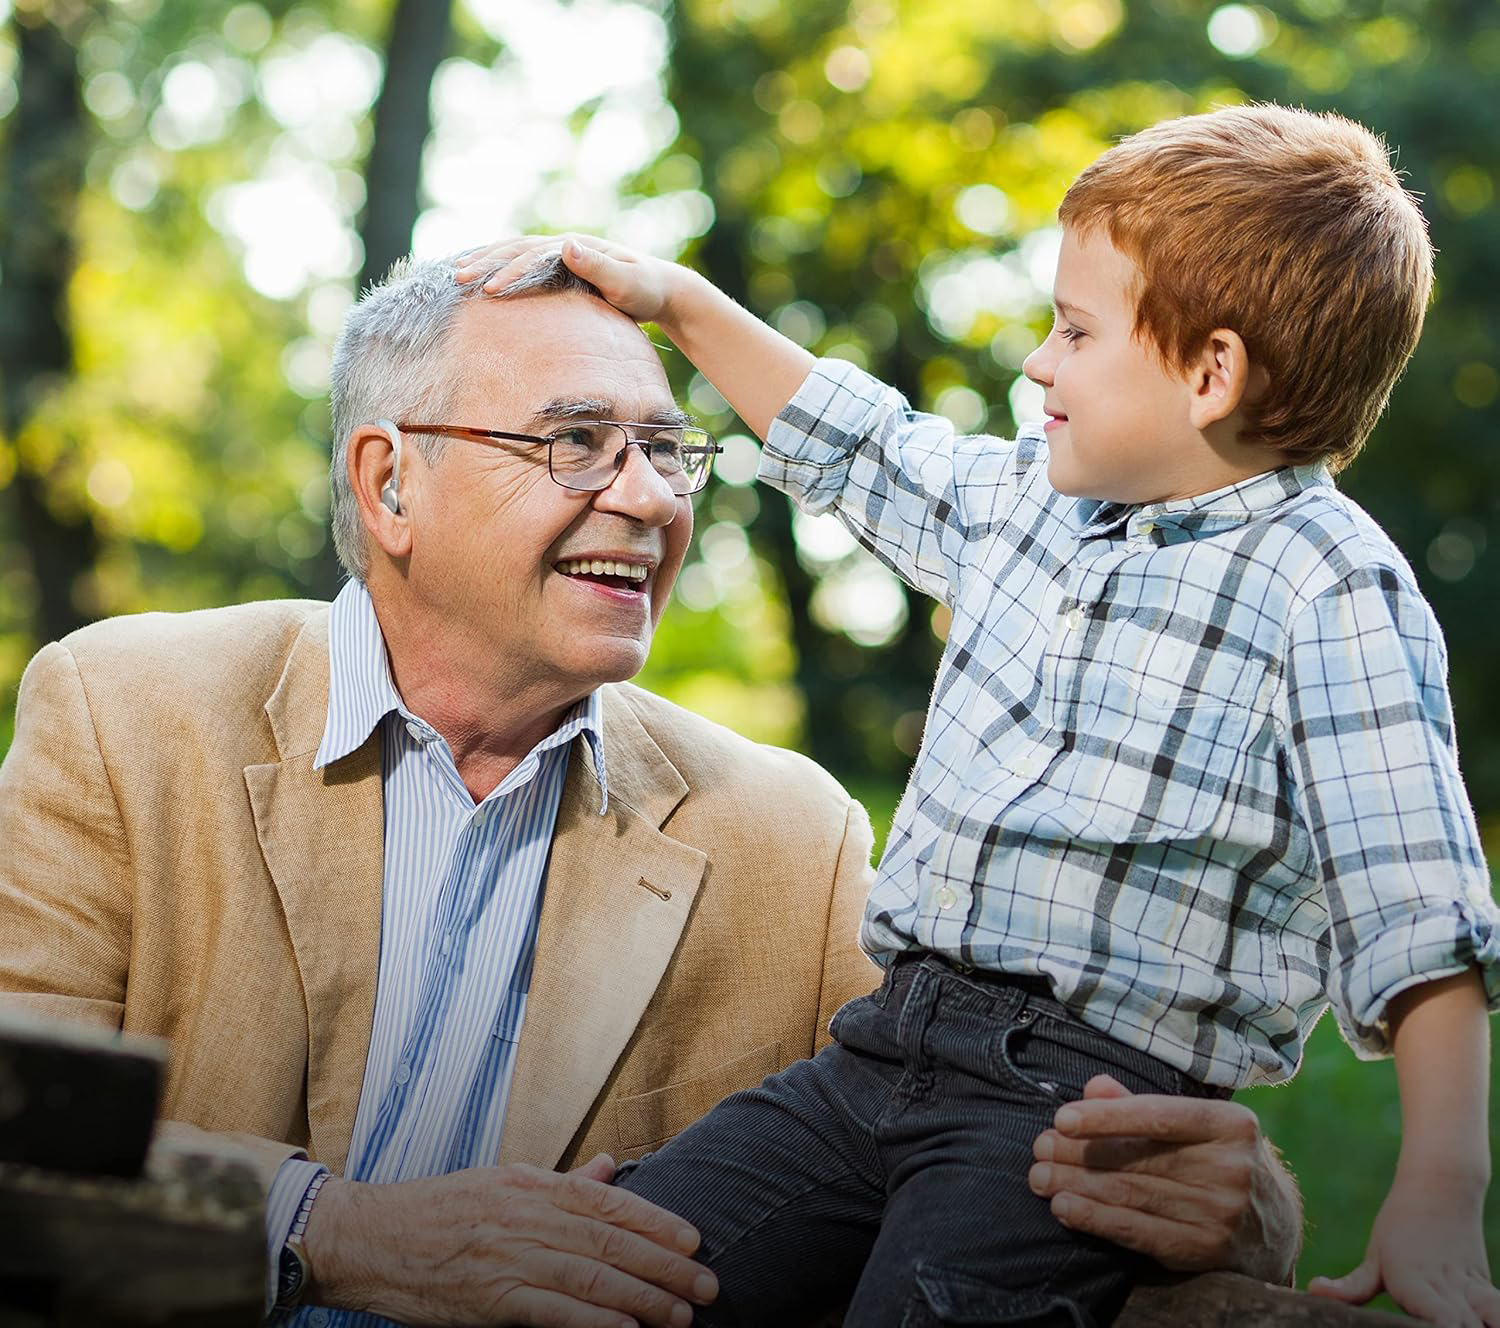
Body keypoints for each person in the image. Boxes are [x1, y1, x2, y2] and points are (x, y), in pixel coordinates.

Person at [0, 252, 1301, 1328]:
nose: (649, 499)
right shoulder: (126, 714)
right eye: (575, 444)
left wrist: (1236, 1199)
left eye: (669, 451)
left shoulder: (793, 838)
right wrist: (336, 1234)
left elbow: (986, 1119)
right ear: (390, 482)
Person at [464, 102, 1500, 1327]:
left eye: (1074, 329)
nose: (1037, 362)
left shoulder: (1326, 586)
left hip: (1074, 1116)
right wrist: (680, 301)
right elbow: (855, 443)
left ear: (1210, 373)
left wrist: (1438, 1186)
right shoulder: (1027, 509)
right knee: (619, 1265)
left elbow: (1417, 912)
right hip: (880, 1051)